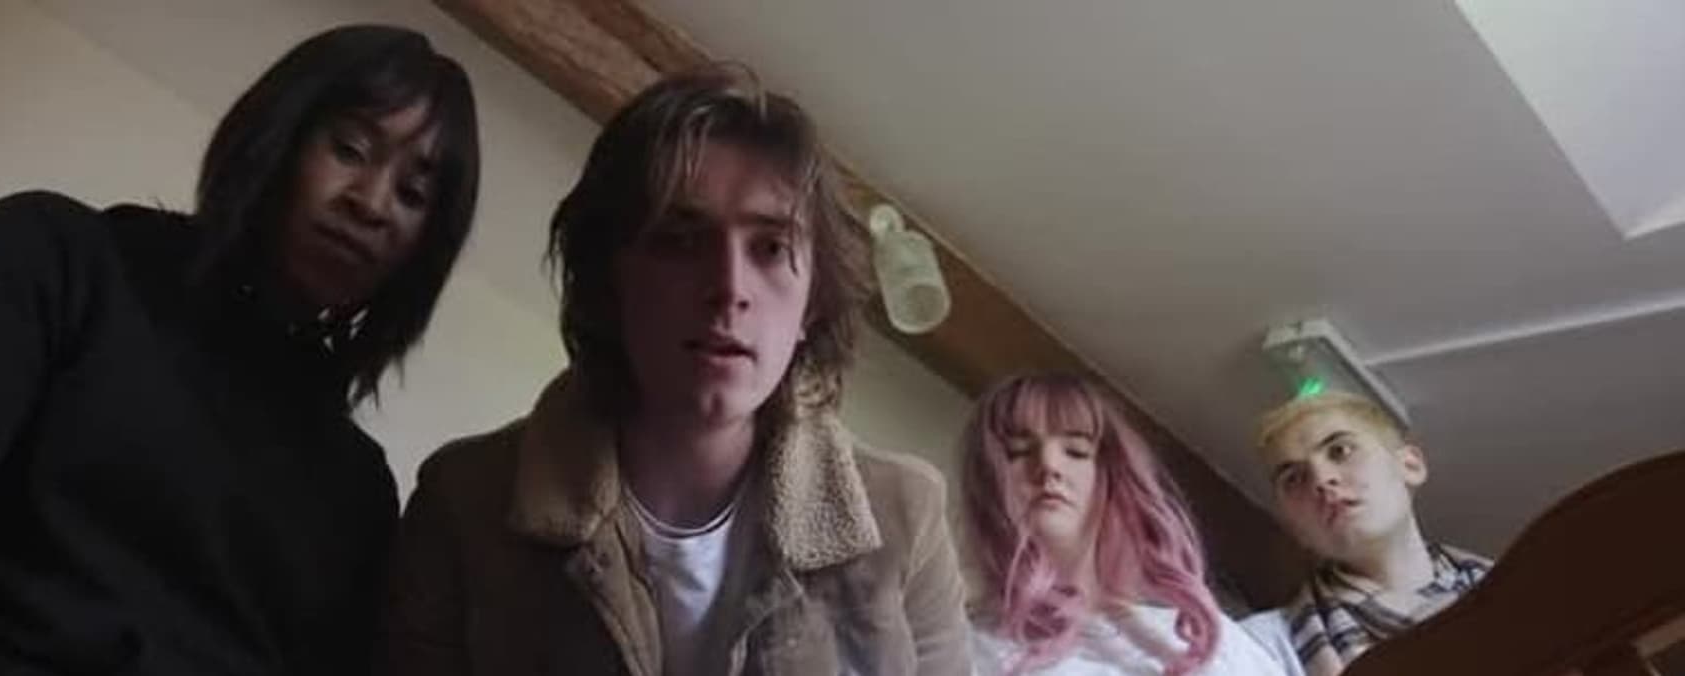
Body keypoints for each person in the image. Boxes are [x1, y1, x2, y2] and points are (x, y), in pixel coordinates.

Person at [0, 25, 479, 675]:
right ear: (279, 135)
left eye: (413, 194)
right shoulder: (57, 264)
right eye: (349, 149)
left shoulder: (358, 495)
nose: (371, 203)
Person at [377, 65, 971, 675]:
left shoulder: (904, 515)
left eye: (770, 248)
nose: (729, 288)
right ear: (610, 278)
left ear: (812, 303)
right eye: (681, 240)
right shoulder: (465, 503)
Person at [961, 374, 1283, 676]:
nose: (1048, 465)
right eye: (1018, 452)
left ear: (1113, 477)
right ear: (986, 482)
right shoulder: (963, 648)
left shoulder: (1216, 642)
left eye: (1076, 451)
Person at [1238, 392, 1491, 676]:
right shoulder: (1255, 651)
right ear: (1295, 529)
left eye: (1340, 451)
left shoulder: (1519, 598)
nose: (1321, 480)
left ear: (1410, 465)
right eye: (1294, 478)